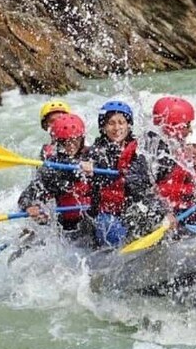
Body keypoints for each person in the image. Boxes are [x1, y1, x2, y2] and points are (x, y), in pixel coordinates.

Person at [84, 100, 168, 248]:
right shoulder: (96, 151)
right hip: (108, 213)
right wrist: (88, 167)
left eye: (121, 122)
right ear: (103, 127)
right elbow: (91, 161)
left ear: (129, 125)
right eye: (111, 123)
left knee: (153, 216)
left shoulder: (141, 147)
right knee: (111, 230)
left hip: (133, 207)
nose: (117, 128)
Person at [18, 113, 94, 244]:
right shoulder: (51, 168)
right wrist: (29, 207)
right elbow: (26, 196)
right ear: (59, 142)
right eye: (66, 142)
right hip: (67, 227)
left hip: (93, 219)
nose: (71, 146)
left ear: (82, 139)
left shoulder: (94, 156)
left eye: (75, 140)